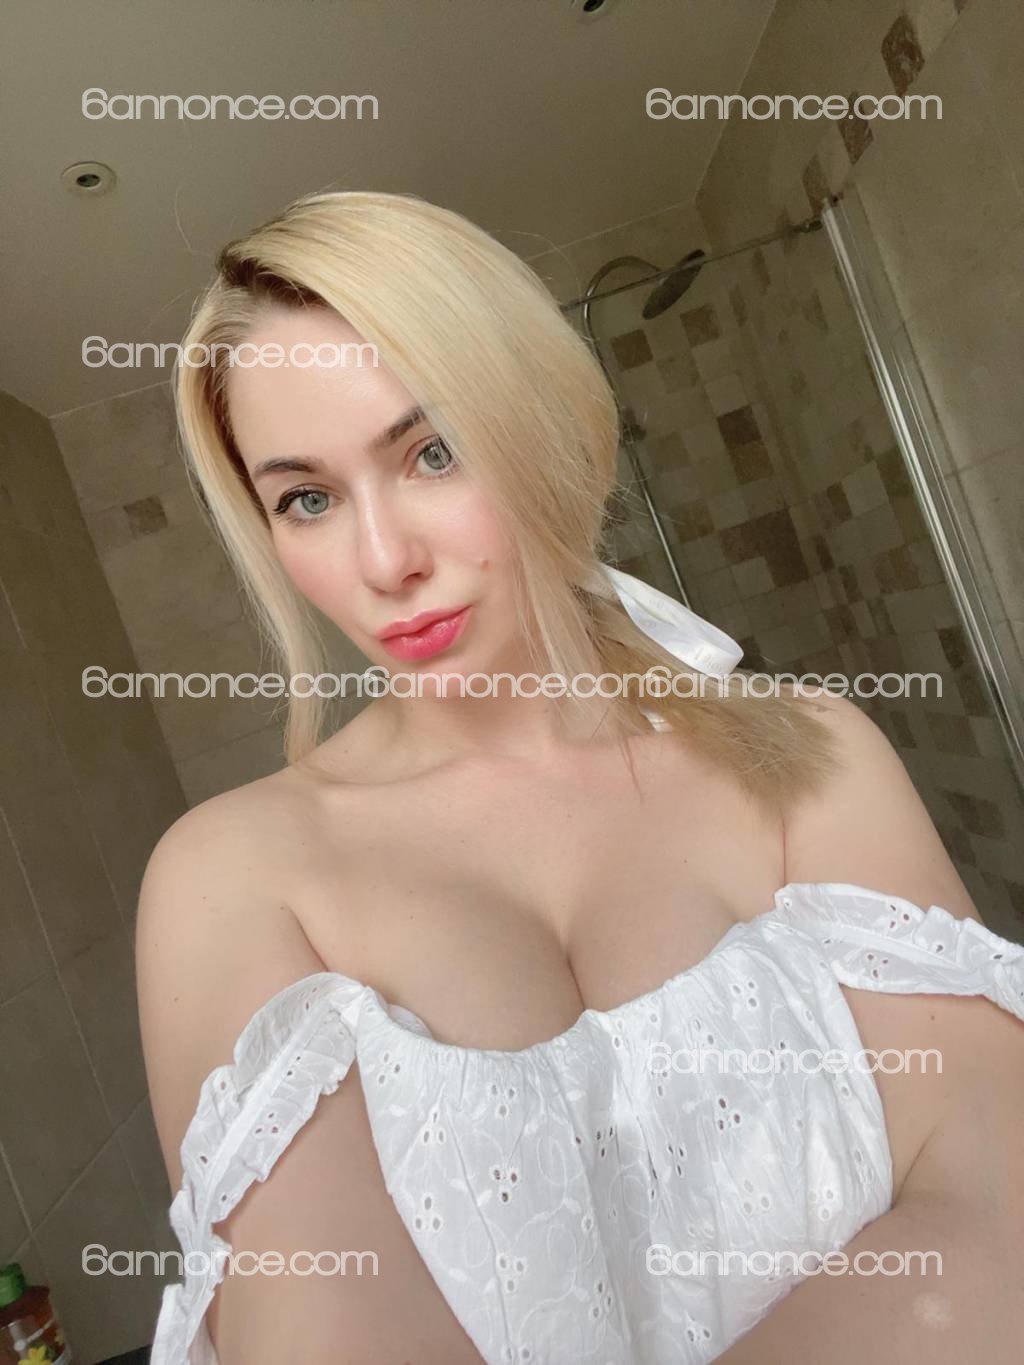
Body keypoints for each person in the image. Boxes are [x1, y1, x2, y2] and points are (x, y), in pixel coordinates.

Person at [137, 190, 1024, 1365]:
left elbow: (993, 1198)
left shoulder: (811, 758)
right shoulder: (235, 880)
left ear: (544, 428)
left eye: (433, 452)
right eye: (308, 498)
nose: (384, 561)